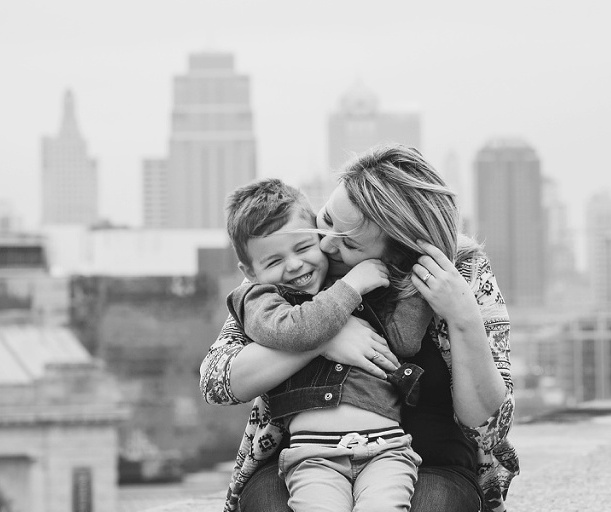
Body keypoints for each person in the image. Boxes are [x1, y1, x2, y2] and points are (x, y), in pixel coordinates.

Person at [200, 143, 519, 512]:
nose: (328, 243)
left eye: (348, 242)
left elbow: (491, 430)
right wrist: (323, 336)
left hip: (430, 461)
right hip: (305, 457)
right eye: (328, 219)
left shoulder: (465, 274)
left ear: (395, 255)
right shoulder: (296, 268)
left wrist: (463, 318)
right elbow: (216, 380)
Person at [223, 177, 425, 511]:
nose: (294, 265)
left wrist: (412, 273)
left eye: (303, 248)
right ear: (250, 271)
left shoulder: (348, 277)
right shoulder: (259, 298)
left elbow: (403, 341)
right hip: (314, 456)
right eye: (273, 262)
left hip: (387, 449)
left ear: (320, 237)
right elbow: (293, 332)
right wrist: (351, 287)